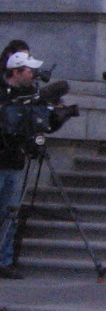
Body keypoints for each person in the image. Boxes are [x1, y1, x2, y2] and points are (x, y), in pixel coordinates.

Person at [0, 50, 48, 280]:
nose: (33, 75)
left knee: (10, 213)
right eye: (29, 71)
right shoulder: (3, 93)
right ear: (16, 71)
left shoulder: (32, 94)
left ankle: (5, 260)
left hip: (16, 161)